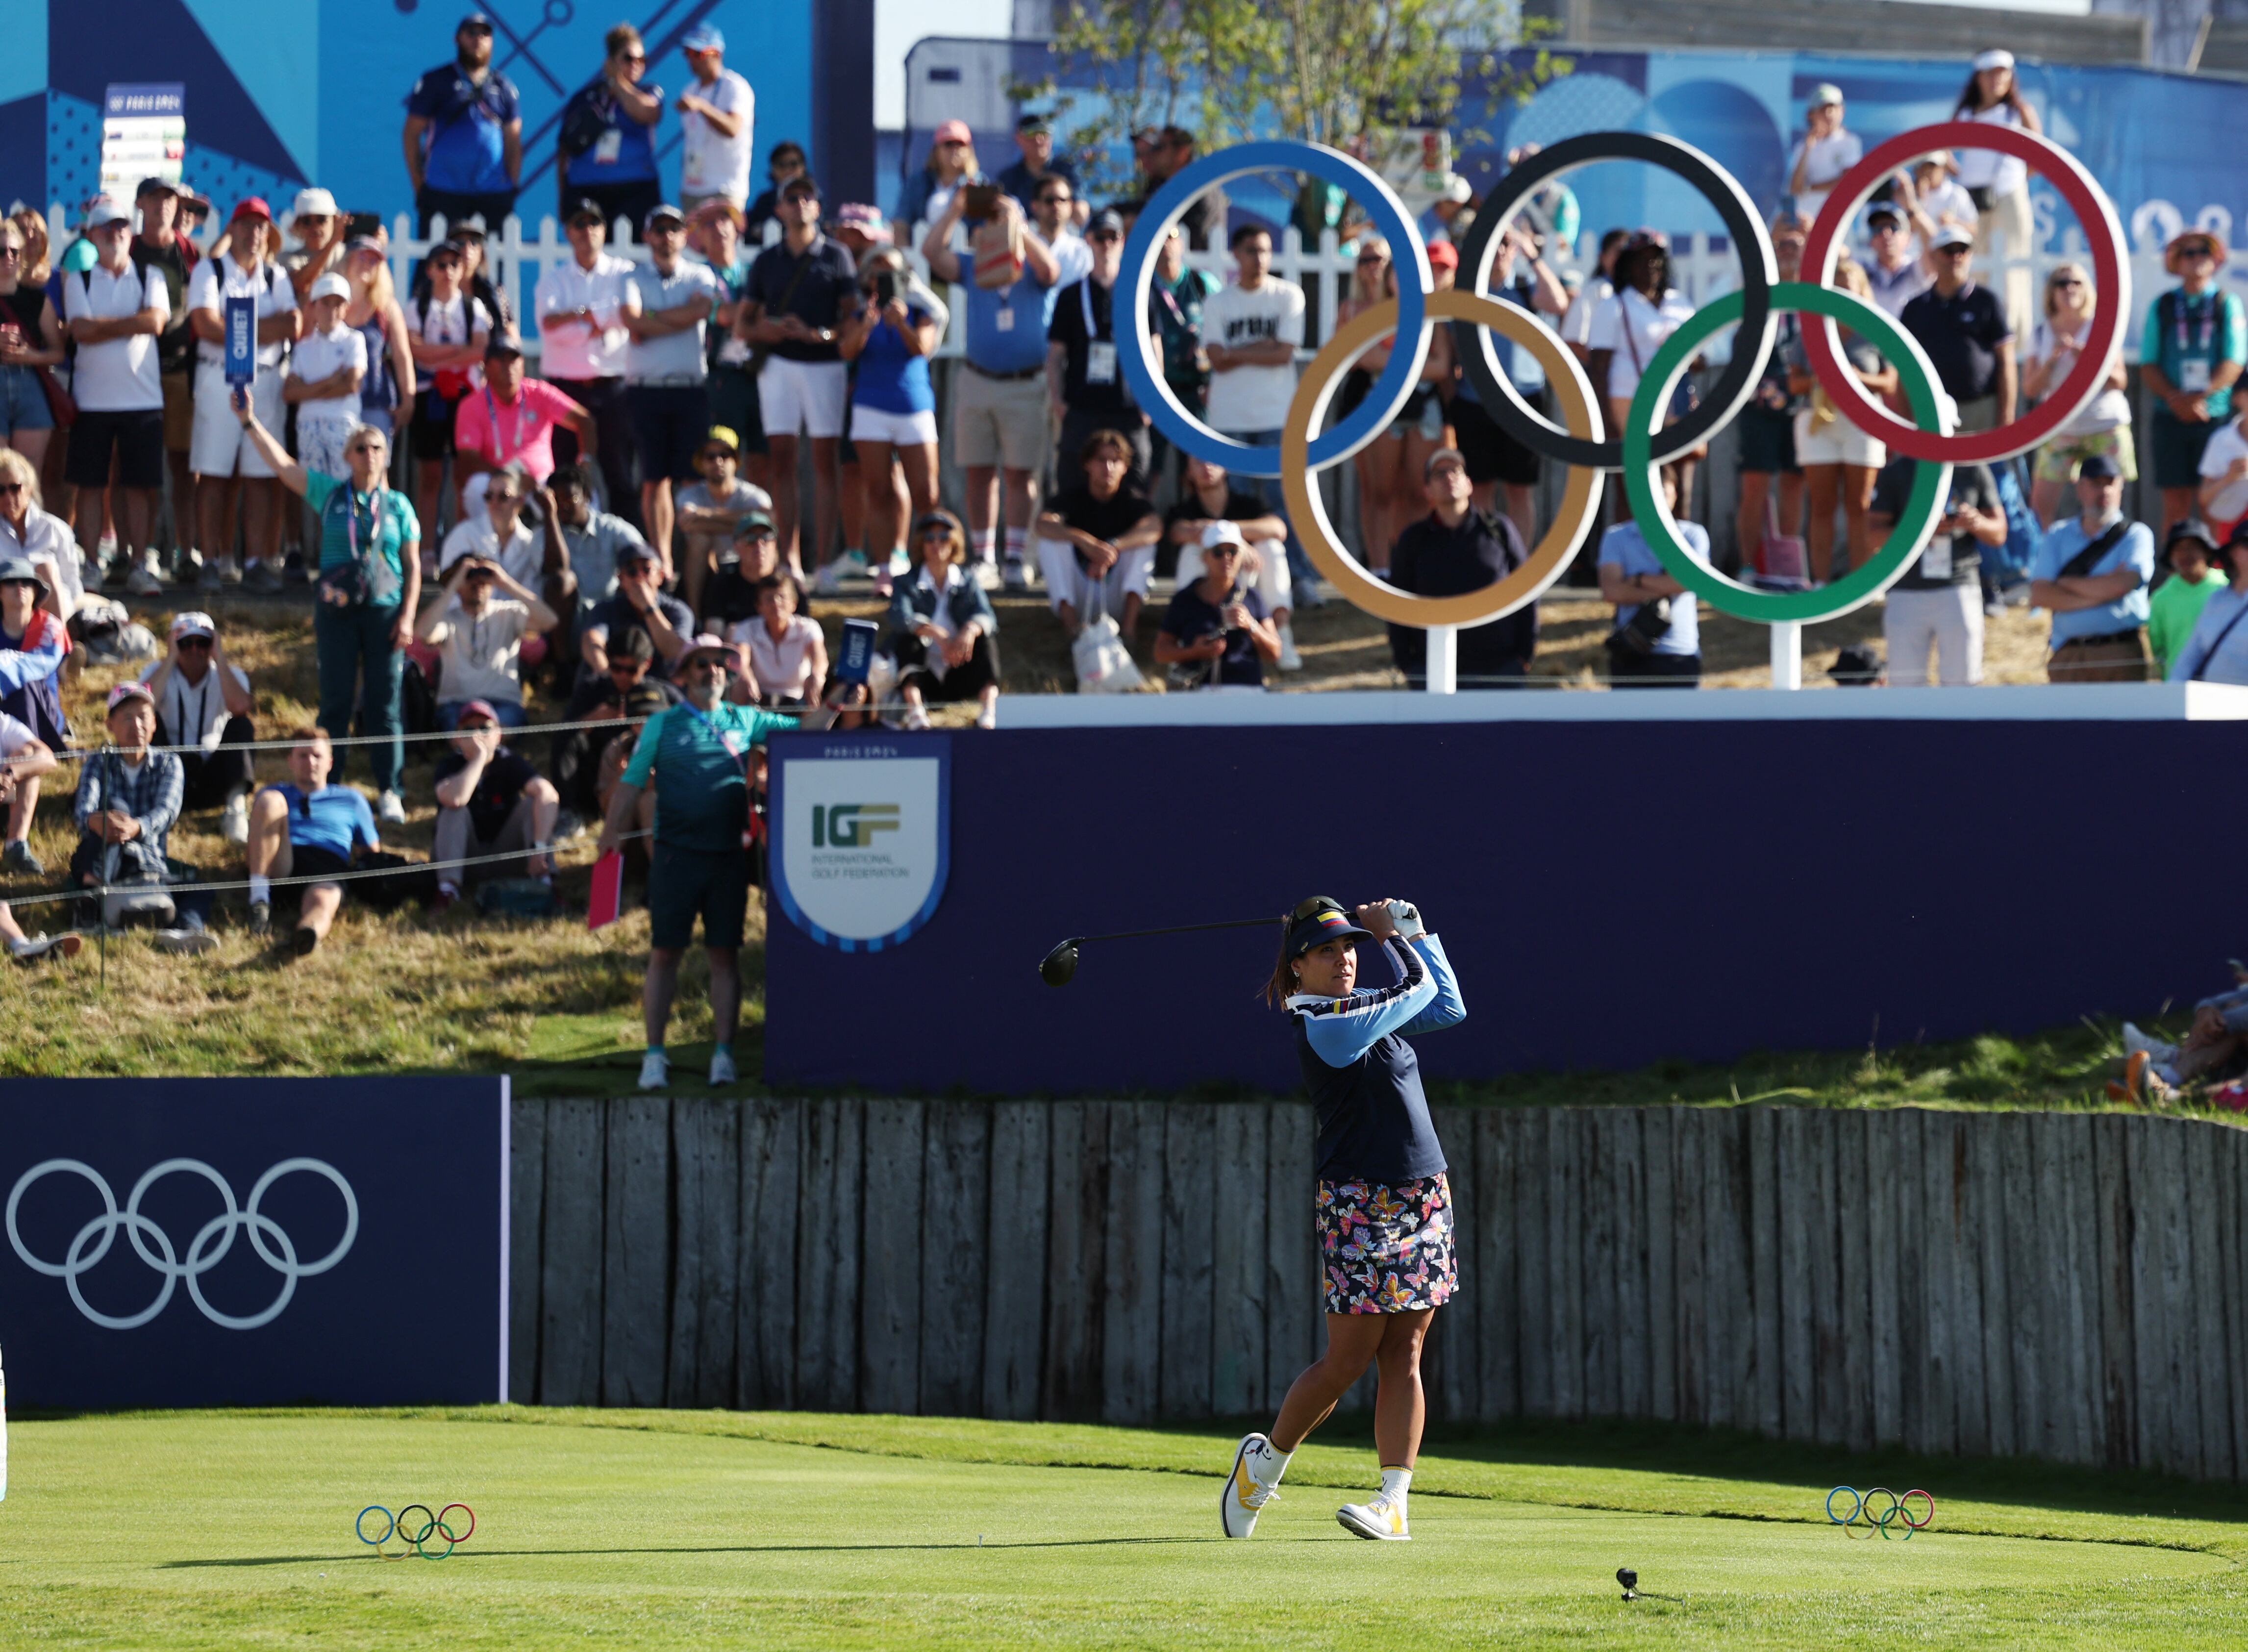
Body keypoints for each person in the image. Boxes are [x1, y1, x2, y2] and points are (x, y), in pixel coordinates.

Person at [1224, 896, 1464, 1545]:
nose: (1344, 959)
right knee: (1348, 1358)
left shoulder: (1366, 1012)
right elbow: (1418, 986)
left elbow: (1445, 1005)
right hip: (1359, 1202)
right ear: (1296, 968)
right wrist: (1396, 939)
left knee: (1405, 1351)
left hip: (1422, 1195)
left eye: (1351, 947)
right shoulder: (1325, 1025)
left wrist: (1411, 929)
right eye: (1327, 950)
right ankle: (1264, 1464)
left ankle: (1393, 1503)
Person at [597, 634, 795, 1090]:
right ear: (683, 676)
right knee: (665, 953)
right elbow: (630, 783)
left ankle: (723, 1055)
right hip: (675, 858)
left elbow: (811, 731)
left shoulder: (746, 719)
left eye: (720, 665)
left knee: (725, 956)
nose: (713, 672)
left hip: (727, 857)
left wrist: (843, 702)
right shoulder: (662, 725)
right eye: (702, 665)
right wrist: (611, 832)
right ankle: (654, 1056)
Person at [235, 399, 420, 822]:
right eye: (361, 448)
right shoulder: (331, 494)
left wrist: (408, 617)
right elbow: (283, 466)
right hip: (336, 611)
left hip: (385, 612)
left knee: (384, 703)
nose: (368, 455)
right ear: (347, 456)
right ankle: (330, 786)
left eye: (376, 448)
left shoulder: (400, 507)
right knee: (335, 701)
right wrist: (248, 420)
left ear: (385, 456)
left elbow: (413, 569)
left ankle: (389, 788)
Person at [922, 181, 1076, 591]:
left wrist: (1018, 225)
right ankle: (984, 557)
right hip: (977, 378)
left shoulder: (1029, 264)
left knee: (1021, 473)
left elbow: (1052, 272)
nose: (994, 226)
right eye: (990, 220)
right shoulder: (974, 265)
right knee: (978, 472)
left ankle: (1015, 558)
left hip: (1025, 383)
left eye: (999, 219)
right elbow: (932, 254)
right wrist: (956, 210)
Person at [740, 175, 859, 590]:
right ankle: (789, 560)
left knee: (826, 461)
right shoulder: (767, 261)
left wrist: (816, 334)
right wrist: (770, 330)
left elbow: (850, 320)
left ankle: (824, 563)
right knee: (781, 462)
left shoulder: (838, 257)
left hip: (824, 367)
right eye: (793, 198)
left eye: (809, 196)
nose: (801, 203)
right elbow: (744, 324)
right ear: (779, 209)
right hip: (779, 368)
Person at [186, 198, 298, 590]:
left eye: (261, 228)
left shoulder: (276, 276)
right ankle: (211, 562)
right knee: (213, 473)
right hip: (218, 378)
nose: (254, 235)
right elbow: (204, 324)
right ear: (232, 229)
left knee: (261, 475)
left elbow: (292, 325)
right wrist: (260, 328)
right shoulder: (210, 270)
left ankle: (255, 562)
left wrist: (235, 327)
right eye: (247, 226)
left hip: (266, 380)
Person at [60, 198, 168, 587]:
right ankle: (92, 565)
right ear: (91, 235)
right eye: (106, 227)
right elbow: (80, 331)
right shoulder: (80, 278)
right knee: (90, 486)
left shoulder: (151, 275)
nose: (115, 233)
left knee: (138, 487)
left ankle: (139, 565)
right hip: (91, 403)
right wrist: (130, 323)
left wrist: (102, 325)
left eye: (122, 226)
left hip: (143, 402)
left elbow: (155, 322)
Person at [623, 203, 726, 572]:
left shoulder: (700, 274)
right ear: (648, 235)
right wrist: (674, 319)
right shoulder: (632, 277)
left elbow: (700, 311)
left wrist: (651, 321)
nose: (667, 237)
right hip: (646, 388)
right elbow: (631, 322)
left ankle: (700, 556)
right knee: (654, 477)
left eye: (674, 229)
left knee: (693, 478)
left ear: (685, 236)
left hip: (689, 387)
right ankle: (663, 558)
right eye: (660, 229)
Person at [1452, 222, 1566, 550]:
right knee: (1481, 488)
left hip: (1524, 400)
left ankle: (1518, 567)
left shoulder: (1526, 289)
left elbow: (1558, 303)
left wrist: (1532, 256)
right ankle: (1487, 563)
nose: (1500, 251)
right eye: (1493, 243)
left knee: (1519, 489)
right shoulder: (1465, 291)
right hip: (1475, 401)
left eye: (1506, 243)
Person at [1202, 223, 1308, 573]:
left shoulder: (1287, 295)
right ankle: (1242, 577)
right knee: (1238, 505)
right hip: (1229, 418)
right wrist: (1264, 345)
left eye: (1264, 250)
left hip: (1276, 416)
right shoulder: (1219, 302)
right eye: (1251, 250)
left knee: (1284, 500)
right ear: (1236, 254)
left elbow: (1284, 354)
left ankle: (1297, 574)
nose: (1260, 259)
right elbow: (1217, 359)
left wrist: (1237, 351)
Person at [1383, 449, 1536, 689]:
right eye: (1439, 473)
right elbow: (1397, 602)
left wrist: (1524, 656)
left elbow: (1526, 590)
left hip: (1500, 668)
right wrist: (1407, 663)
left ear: (1469, 484)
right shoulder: (1413, 539)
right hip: (1431, 669)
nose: (1448, 477)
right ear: (1427, 491)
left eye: (1456, 471)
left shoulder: (1499, 530)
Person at [839, 249, 946, 589]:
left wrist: (900, 323)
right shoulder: (860, 313)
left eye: (893, 274)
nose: (883, 280)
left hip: (913, 408)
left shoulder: (920, 312)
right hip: (871, 408)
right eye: (878, 273)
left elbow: (922, 350)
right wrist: (868, 326)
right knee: (879, 490)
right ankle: (885, 568)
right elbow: (847, 351)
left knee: (927, 494)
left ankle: (930, 567)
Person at [1788, 257, 1893, 582]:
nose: (1845, 296)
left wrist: (1854, 377)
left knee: (1860, 506)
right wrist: (1823, 379)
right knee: (1821, 506)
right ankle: (1820, 582)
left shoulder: (1876, 330)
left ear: (1863, 292)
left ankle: (1861, 583)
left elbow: (1890, 382)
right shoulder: (1811, 329)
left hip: (1863, 423)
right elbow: (1794, 383)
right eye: (1838, 290)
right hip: (1818, 421)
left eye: (1850, 289)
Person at [534, 200, 637, 523]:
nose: (587, 231)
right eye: (580, 224)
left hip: (613, 386)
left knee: (619, 472)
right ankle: (561, 542)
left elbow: (626, 315)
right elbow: (549, 327)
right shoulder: (554, 279)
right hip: (565, 388)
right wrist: (592, 319)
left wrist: (576, 319)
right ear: (568, 232)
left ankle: (628, 551)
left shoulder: (624, 273)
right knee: (563, 470)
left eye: (594, 223)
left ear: (604, 230)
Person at [1590, 231, 1704, 518]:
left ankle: (1676, 558)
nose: (1650, 266)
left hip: (1674, 400)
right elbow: (1599, 367)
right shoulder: (1614, 306)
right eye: (1642, 259)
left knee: (1680, 484)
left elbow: (1701, 360)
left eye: (1656, 259)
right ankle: (1631, 560)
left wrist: (1681, 351)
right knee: (1633, 486)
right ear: (1628, 265)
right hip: (1629, 402)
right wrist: (1606, 422)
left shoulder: (1680, 304)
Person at [2143, 231, 2247, 540]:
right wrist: (2178, 400)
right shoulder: (2162, 306)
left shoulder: (2226, 303)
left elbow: (2233, 362)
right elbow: (2149, 364)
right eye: (2188, 253)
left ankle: (2218, 578)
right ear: (2176, 262)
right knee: (2175, 506)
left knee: (2215, 505)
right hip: (2171, 415)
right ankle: (2174, 580)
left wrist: (2200, 397)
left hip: (2214, 418)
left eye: (2203, 252)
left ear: (2215, 260)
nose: (2196, 259)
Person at [245, 726, 381, 956]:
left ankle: (305, 936)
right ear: (291, 761)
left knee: (323, 902)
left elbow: (371, 852)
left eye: (317, 756)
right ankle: (259, 901)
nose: (310, 762)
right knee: (270, 801)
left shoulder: (352, 799)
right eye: (303, 755)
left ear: (330, 762)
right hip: (282, 858)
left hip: (327, 865)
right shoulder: (275, 791)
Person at [1870, 458, 2005, 686]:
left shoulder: (1972, 468)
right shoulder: (1898, 470)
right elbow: (1873, 535)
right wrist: (1921, 529)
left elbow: (1999, 533)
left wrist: (1975, 522)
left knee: (1963, 682)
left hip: (1959, 584)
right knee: (1905, 684)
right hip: (1906, 588)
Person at [426, 508, 563, 726]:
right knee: (466, 729)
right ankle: (482, 750)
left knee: (491, 728)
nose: (477, 584)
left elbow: (550, 621)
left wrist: (505, 581)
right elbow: (424, 634)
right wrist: (455, 581)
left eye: (483, 579)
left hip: (502, 706)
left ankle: (479, 751)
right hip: (457, 706)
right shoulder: (448, 619)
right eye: (470, 579)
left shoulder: (508, 612)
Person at [2022, 261, 2134, 525]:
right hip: (2061, 429)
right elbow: (2030, 388)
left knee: (2110, 506)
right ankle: (2044, 562)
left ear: (2087, 290)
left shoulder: (2101, 327)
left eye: (2076, 283)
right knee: (2040, 508)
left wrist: (2088, 357)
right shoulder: (2041, 332)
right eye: (2061, 283)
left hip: (2104, 425)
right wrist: (2052, 360)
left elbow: (2119, 381)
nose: (2069, 289)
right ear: (2051, 292)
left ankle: (2110, 561)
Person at [2029, 453, 2156, 682]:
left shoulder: (2136, 534)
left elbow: (2124, 584)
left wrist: (2066, 585)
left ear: (2121, 487)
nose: (2104, 491)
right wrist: (2101, 593)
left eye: (2110, 483)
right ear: (2080, 489)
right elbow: (2040, 594)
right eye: (2096, 484)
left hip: (2120, 650)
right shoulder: (2058, 535)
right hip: (2070, 654)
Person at [1046, 209, 1148, 492]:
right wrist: (1058, 402)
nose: (1106, 244)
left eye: (1113, 237)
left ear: (1122, 241)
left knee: (1134, 485)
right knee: (1073, 484)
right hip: (1082, 407)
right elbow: (1056, 355)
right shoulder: (1071, 295)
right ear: (1088, 240)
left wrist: (1150, 404)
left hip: (1128, 408)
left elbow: (1155, 351)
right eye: (1100, 237)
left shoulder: (1138, 293)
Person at [126, 177, 197, 586]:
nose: (161, 206)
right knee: (140, 472)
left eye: (168, 199)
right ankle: (142, 552)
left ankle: (187, 552)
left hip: (179, 370)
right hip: (136, 375)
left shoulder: (188, 253)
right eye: (154, 198)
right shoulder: (128, 250)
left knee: (184, 468)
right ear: (140, 204)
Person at [1165, 454, 1297, 669]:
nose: (1206, 467)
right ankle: (1186, 637)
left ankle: (1282, 634)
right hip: (1209, 589)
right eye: (1198, 462)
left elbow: (1278, 529)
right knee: (1191, 550)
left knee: (1271, 548)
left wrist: (1227, 535)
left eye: (1212, 460)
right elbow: (1179, 532)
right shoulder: (1184, 509)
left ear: (1226, 468)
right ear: (1188, 472)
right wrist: (1239, 543)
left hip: (1249, 581)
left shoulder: (1247, 503)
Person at [1034, 428, 1161, 642]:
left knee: (1144, 546)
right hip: (1081, 591)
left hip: (1116, 592)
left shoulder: (1133, 499)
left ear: (1125, 467)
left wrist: (1113, 547)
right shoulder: (1072, 496)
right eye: (1101, 460)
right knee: (1050, 544)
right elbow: (1043, 524)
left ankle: (1129, 634)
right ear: (1087, 464)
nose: (1108, 468)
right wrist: (1085, 542)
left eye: (1115, 461)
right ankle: (1072, 632)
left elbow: (1154, 528)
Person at [403, 238, 492, 537]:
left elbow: (481, 351)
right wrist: (458, 351)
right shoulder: (418, 306)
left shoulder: (473, 306)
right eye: (441, 265)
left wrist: (439, 355)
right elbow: (415, 350)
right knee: (430, 475)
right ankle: (427, 548)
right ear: (429, 270)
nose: (448, 271)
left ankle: (462, 546)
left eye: (455, 264)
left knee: (464, 475)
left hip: (465, 395)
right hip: (430, 395)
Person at [430, 700, 558, 908]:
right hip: (462, 860)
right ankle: (447, 891)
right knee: (454, 811)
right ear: (457, 738)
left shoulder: (509, 761)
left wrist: (539, 848)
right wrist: (479, 759)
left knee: (533, 804)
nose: (477, 735)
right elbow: (454, 799)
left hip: (506, 856)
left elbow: (548, 793)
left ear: (499, 735)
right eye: (469, 729)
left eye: (485, 728)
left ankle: (545, 883)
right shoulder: (449, 764)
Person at [403, 12, 521, 236]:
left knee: (494, 267)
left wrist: (510, 186)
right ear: (457, 39)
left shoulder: (504, 87)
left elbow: (514, 141)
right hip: (443, 191)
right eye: (471, 33)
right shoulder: (436, 81)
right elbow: (411, 133)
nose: (478, 39)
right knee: (438, 263)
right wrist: (420, 185)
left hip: (492, 194)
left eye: (485, 33)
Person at [1735, 215, 1807, 573]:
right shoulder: (1756, 291)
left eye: (1797, 245)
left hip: (1802, 403)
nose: (1789, 252)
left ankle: (1786, 566)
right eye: (1782, 246)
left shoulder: (1815, 294)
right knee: (1755, 487)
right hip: (1758, 405)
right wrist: (1773, 233)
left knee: (1794, 485)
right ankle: (1749, 565)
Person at [145, 610, 255, 840]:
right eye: (186, 644)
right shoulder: (156, 672)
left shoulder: (230, 675)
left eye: (203, 643)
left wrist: (220, 658)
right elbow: (143, 706)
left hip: (211, 773)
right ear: (174, 645)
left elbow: (240, 706)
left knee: (242, 725)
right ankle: (151, 805)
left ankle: (235, 809)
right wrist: (170, 659)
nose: (194, 651)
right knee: (147, 722)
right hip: (168, 771)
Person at [886, 509, 999, 729]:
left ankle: (989, 709)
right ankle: (915, 711)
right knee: (908, 640)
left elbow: (988, 617)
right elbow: (899, 617)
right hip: (924, 674)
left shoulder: (967, 580)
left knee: (985, 640)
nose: (936, 543)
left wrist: (970, 629)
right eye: (929, 538)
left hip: (959, 669)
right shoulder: (905, 582)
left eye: (944, 537)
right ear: (921, 543)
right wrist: (935, 633)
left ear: (955, 542)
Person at [1954, 49, 2042, 332]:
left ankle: (2015, 335)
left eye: (2003, 72)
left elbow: (2040, 155)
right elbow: (1943, 149)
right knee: (1974, 264)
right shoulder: (1966, 114)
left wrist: (2014, 180)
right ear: (1979, 77)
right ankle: (1976, 329)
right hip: (1972, 199)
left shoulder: (2019, 112)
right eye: (1991, 73)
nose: (1997, 79)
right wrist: (1963, 176)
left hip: (2009, 197)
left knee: (2013, 267)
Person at [69, 680, 182, 900]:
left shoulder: (169, 763)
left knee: (115, 810)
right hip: (99, 854)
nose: (137, 725)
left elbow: (166, 812)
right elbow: (83, 811)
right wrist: (100, 822)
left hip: (145, 859)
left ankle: (91, 898)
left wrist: (135, 827)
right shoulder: (98, 762)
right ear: (110, 725)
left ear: (154, 724)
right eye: (128, 718)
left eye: (143, 717)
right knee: (113, 809)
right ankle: (95, 894)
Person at [552, 624, 672, 831]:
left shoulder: (660, 693)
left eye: (631, 670)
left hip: (648, 775)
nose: (623, 676)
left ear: (647, 664)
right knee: (567, 736)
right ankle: (570, 812)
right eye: (616, 668)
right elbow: (564, 733)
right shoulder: (593, 688)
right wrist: (591, 720)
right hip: (597, 774)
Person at [1596, 465, 1706, 687]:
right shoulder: (1616, 536)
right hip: (1631, 650)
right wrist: (1670, 584)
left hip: (1680, 652)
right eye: (1650, 494)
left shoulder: (1692, 535)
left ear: (1675, 493)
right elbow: (1612, 591)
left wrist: (1638, 580)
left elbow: (1694, 582)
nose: (1657, 502)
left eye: (1663, 493)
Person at [1901, 225, 2014, 435]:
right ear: (1933, 256)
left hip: (1980, 409)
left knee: (1984, 468)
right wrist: (1906, 417)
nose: (1956, 257)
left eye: (1963, 250)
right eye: (1948, 251)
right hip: (1929, 411)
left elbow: (2006, 360)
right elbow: (1903, 365)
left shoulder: (1987, 301)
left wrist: (2006, 416)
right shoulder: (1915, 308)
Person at [558, 24, 665, 229]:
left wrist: (618, 82)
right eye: (628, 59)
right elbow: (564, 152)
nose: (636, 64)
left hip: (636, 189)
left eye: (642, 60)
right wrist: (564, 199)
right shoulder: (585, 98)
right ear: (611, 61)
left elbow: (647, 113)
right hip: (587, 188)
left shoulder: (649, 92)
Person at [0, 553, 66, 871]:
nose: (19, 588)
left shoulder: (49, 626)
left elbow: (33, 666)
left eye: (27, 582)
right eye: (10, 582)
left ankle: (16, 843)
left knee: (23, 687)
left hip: (40, 718)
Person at [1155, 522, 1279, 692]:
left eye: (1233, 552)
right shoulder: (1185, 599)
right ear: (1204, 557)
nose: (1226, 558)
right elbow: (1161, 652)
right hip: (1198, 691)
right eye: (1218, 552)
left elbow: (1275, 653)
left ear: (1241, 557)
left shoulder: (1252, 597)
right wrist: (1194, 652)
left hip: (1246, 690)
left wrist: (1251, 626)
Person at [674, 426, 772, 621]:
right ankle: (695, 618)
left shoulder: (754, 496)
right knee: (700, 540)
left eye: (725, 455)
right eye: (710, 456)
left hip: (745, 570)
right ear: (701, 463)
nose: (718, 462)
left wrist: (707, 515)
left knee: (764, 543)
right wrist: (744, 525)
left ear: (736, 462)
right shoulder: (689, 494)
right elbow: (688, 523)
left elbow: (769, 520)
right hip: (709, 574)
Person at [548, 461, 648, 637]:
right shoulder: (545, 533)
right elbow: (547, 571)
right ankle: (561, 663)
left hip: (612, 613)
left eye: (570, 498)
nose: (563, 505)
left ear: (587, 496)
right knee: (562, 581)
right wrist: (549, 517)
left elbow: (644, 558)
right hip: (570, 621)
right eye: (556, 500)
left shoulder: (611, 528)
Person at [284, 272, 368, 482]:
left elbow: (351, 385)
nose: (332, 310)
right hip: (308, 425)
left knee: (347, 488)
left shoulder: (354, 340)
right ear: (313, 307)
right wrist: (331, 381)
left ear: (346, 308)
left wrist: (307, 391)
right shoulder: (303, 347)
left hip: (343, 423)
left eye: (338, 304)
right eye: (326, 303)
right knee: (316, 492)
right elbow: (289, 393)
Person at [0, 214, 64, 485]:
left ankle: (25, 529)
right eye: (1, 251)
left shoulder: (37, 300)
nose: (9, 257)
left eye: (15, 250)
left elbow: (58, 352)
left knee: (26, 479)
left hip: (30, 385)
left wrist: (30, 356)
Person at [340, 237, 415, 451]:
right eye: (362, 257)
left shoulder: (386, 307)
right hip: (335, 400)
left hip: (376, 400)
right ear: (347, 260)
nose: (367, 264)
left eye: (374, 261)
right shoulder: (330, 302)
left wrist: (408, 399)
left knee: (375, 468)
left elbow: (402, 355)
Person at [579, 539, 691, 679]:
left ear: (660, 576)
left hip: (659, 689)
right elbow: (591, 641)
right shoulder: (606, 609)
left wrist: (649, 608)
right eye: (632, 572)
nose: (640, 577)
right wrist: (609, 675)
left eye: (647, 570)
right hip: (615, 679)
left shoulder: (677, 610)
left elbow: (675, 652)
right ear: (621, 579)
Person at [676, 25, 754, 218]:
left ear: (716, 53)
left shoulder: (735, 87)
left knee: (722, 245)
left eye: (698, 53)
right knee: (693, 248)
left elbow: (733, 128)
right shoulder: (690, 89)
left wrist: (703, 107)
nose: (691, 60)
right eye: (688, 53)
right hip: (692, 190)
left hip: (724, 188)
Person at [726, 571, 824, 707]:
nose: (776, 603)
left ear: (794, 604)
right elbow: (742, 660)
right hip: (759, 699)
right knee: (740, 684)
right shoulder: (746, 629)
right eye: (769, 598)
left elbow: (820, 658)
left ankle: (811, 728)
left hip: (799, 698)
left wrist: (816, 676)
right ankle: (742, 727)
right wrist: (747, 679)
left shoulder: (808, 627)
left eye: (782, 597)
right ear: (758, 606)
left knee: (816, 683)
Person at [2166, 521, 2248, 684]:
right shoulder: (2216, 599)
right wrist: (2174, 694)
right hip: (2207, 703)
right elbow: (2190, 657)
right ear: (2234, 553)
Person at [2149, 518, 2229, 677]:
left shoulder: (2228, 589)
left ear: (2207, 551)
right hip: (2178, 685)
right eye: (2179, 549)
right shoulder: (2161, 598)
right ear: (2171, 556)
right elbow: (2157, 649)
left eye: (2193, 547)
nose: (2186, 554)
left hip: (2224, 684)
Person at [1788, 85, 1862, 227]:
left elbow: (1848, 182)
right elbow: (1795, 189)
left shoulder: (1850, 142)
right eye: (1822, 109)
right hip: (1806, 221)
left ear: (1842, 111)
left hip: (1838, 222)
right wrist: (1808, 148)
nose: (1829, 114)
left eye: (1833, 109)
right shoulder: (1802, 147)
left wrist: (1810, 188)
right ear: (1811, 115)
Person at [700, 508, 783, 631]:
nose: (759, 545)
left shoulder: (788, 585)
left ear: (775, 544)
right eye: (751, 539)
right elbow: (714, 631)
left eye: (766, 537)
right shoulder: (723, 582)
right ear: (736, 547)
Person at [997, 112, 1086, 225]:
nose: (1039, 140)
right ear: (1018, 138)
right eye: (1031, 134)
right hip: (1023, 238)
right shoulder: (1008, 178)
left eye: (1044, 133)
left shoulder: (1067, 171)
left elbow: (1081, 214)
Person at [1559, 228, 1629, 364]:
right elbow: (1573, 340)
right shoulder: (1595, 290)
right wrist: (1604, 372)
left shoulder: (1634, 295)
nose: (1623, 260)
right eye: (1618, 252)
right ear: (1602, 257)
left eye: (1628, 255)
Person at [896, 122, 977, 232]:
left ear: (969, 150)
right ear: (936, 150)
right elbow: (900, 222)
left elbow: (982, 228)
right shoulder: (918, 182)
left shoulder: (977, 183)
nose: (954, 150)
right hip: (920, 247)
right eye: (948, 144)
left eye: (960, 144)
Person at [1861, 202, 1932, 321]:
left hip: (1911, 338)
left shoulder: (1917, 268)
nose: (1886, 234)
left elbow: (1935, 245)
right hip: (1870, 339)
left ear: (1908, 239)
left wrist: (1911, 206)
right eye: (1878, 229)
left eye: (1894, 228)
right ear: (1871, 241)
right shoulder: (1862, 271)